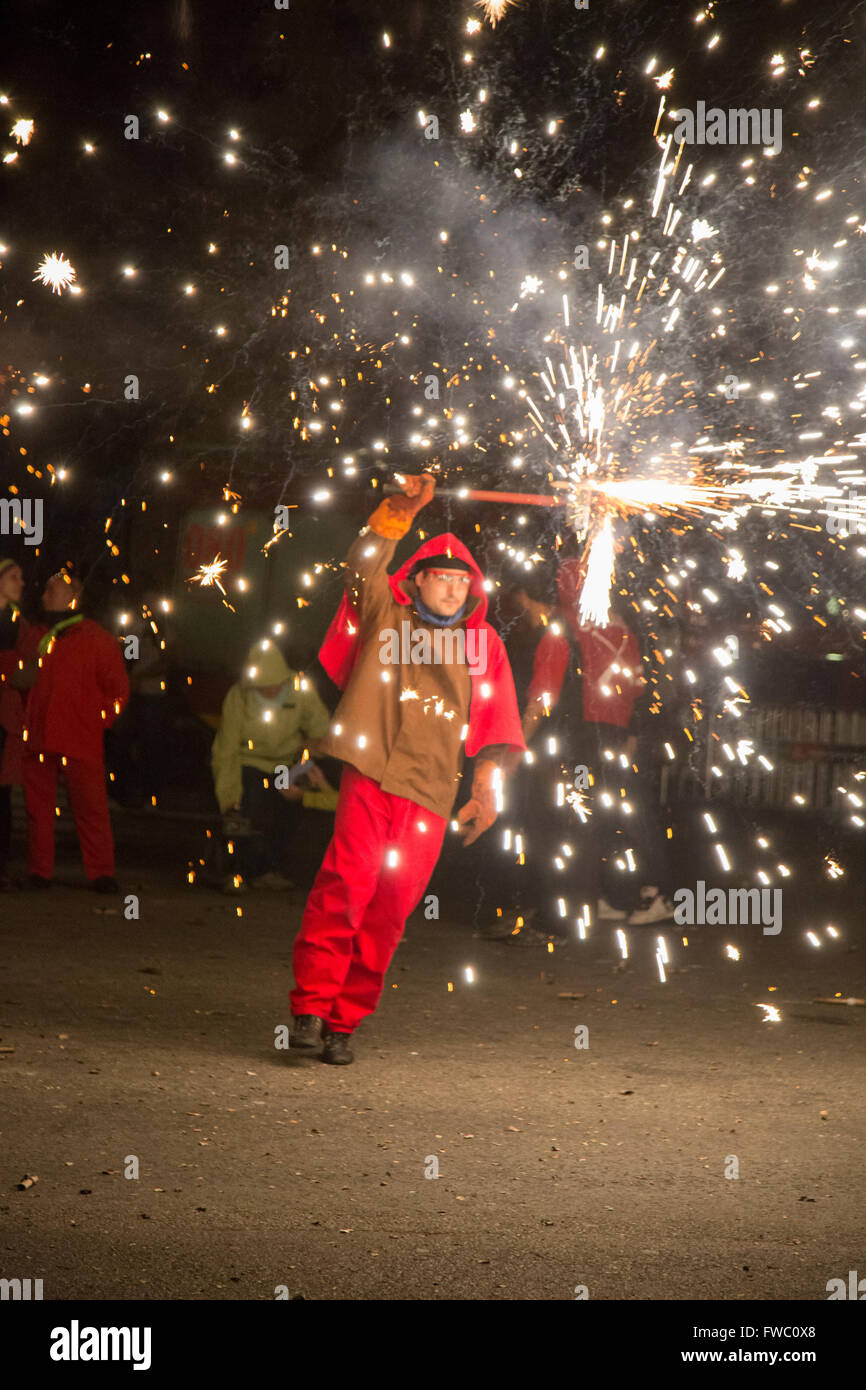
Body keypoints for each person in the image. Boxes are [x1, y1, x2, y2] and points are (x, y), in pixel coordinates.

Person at [288, 472, 525, 1064]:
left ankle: (345, 1024)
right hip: (370, 774)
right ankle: (311, 1009)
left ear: (473, 588)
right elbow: (360, 568)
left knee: (390, 910)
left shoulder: (484, 645)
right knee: (345, 888)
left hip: (429, 792)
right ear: (415, 579)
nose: (450, 588)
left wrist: (487, 792)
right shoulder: (385, 619)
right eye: (440, 577)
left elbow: (497, 728)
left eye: (460, 580)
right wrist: (396, 510)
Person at [520, 558, 675, 927]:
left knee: (579, 818)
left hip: (582, 737)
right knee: (613, 815)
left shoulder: (566, 628)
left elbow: (545, 694)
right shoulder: (622, 627)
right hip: (616, 736)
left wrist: (518, 741)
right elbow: (638, 688)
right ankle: (614, 897)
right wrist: (631, 732)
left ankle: (574, 908)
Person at [20, 571, 129, 893]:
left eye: (51, 590)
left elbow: (118, 693)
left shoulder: (97, 641)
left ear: (73, 595)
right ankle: (41, 872)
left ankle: (100, 872)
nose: (43, 596)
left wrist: (97, 721)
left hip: (78, 737)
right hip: (42, 734)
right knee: (39, 809)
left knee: (90, 807)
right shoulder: (38, 636)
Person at [210, 639, 332, 890]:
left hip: (288, 763)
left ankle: (270, 869)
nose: (271, 691)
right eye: (264, 687)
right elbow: (226, 751)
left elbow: (323, 730)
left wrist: (313, 749)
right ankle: (238, 871)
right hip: (248, 762)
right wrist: (229, 798)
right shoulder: (239, 696)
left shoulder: (300, 690)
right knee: (245, 813)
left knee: (287, 812)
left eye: (276, 685)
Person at [0, 559, 29, 889]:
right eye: (13, 577)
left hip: (5, 718)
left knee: (2, 795)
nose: (20, 583)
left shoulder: (18, 623)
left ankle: (2, 865)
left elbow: (26, 668)